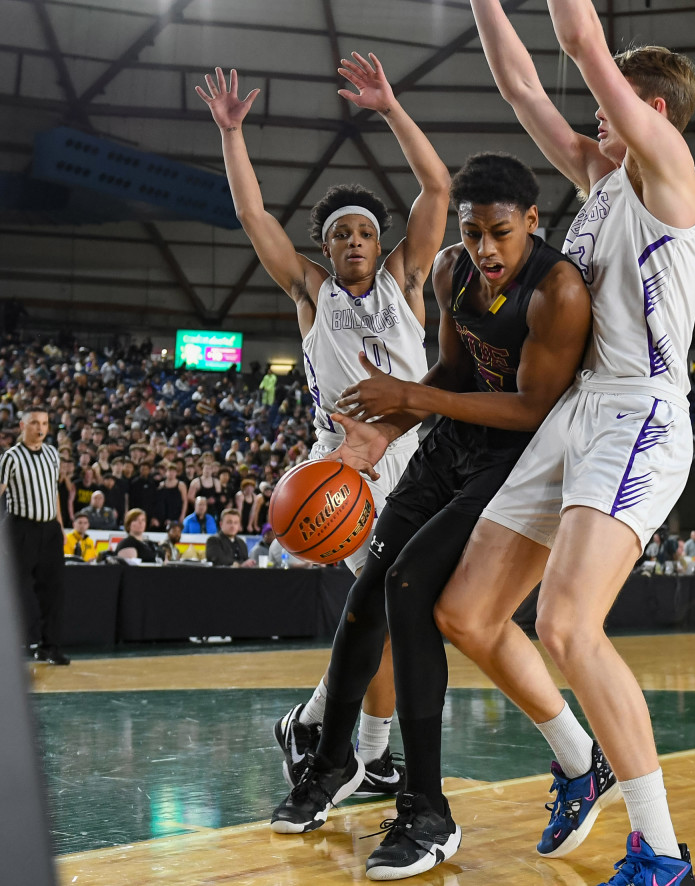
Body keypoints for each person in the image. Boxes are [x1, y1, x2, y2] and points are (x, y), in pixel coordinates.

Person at [418, 4, 695, 882]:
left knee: (569, 626)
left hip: (639, 415)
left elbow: (581, 43)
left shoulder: (670, 173)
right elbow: (518, 85)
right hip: (575, 415)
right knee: (466, 613)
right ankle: (581, 762)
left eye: (608, 109)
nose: (589, 126)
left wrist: (586, 49)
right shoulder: (598, 178)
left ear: (647, 113)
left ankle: (660, 854)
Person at [271, 151, 591, 881]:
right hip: (448, 444)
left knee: (413, 589)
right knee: (368, 590)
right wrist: (385, 432)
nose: (484, 249)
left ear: (532, 223)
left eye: (499, 234)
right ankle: (332, 760)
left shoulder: (558, 292)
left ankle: (429, 809)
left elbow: (530, 406)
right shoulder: (453, 271)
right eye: (474, 233)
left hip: (516, 458)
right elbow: (450, 372)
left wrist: (412, 401)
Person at [199, 51, 448, 804]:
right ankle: (360, 754)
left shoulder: (409, 279)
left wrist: (392, 110)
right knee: (390, 606)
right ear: (328, 247)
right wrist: (232, 135)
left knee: (405, 612)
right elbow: (252, 217)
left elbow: (437, 187)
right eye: (337, 234)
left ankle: (318, 726)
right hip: (344, 471)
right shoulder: (312, 293)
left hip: (418, 461)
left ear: (380, 242)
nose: (350, 243)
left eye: (362, 233)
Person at [0, 408, 69, 664]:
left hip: (49, 529)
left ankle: (49, 646)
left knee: (54, 591)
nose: (40, 428)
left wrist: (60, 525)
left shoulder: (52, 453)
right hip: (22, 529)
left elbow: (53, 492)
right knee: (14, 590)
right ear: (22, 425)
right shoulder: (11, 457)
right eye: (35, 423)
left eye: (45, 423)